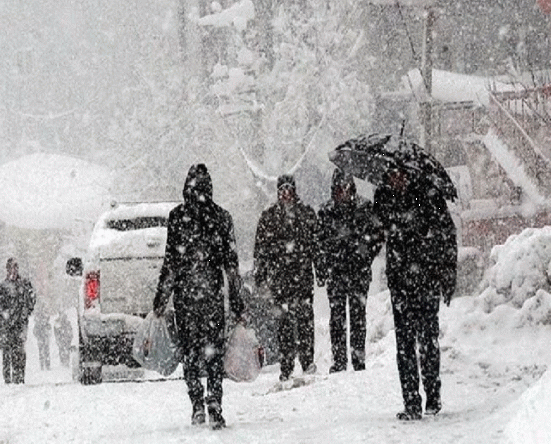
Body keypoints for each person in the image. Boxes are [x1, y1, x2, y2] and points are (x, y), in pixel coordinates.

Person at [153, 163, 244, 430]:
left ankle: (196, 405)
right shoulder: (221, 218)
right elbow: (231, 265)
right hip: (212, 297)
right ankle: (214, 401)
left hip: (187, 298)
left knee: (190, 353)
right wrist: (237, 301)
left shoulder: (178, 218)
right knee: (214, 354)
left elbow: (170, 263)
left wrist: (161, 298)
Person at [374, 167, 457, 421]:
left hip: (427, 279)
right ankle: (411, 401)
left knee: (428, 340)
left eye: (399, 175)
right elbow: (375, 234)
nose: (396, 180)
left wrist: (447, 275)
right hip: (400, 282)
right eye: (391, 176)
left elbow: (446, 234)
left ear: (408, 174)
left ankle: (433, 395)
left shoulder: (427, 194)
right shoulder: (384, 197)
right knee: (404, 345)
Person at [254, 174, 321, 382]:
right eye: (282, 189)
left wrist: (321, 269)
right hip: (280, 279)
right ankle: (286, 365)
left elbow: (317, 245)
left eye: (288, 189)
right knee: (284, 324)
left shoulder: (306, 214)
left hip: (301, 278)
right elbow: (261, 250)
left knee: (304, 321)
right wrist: (261, 274)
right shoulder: (269, 217)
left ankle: (307, 360)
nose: (285, 194)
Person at [316, 169, 383, 373]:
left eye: (345, 187)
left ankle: (358, 359)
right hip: (336, 272)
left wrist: (366, 254)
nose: (342, 192)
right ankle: (339, 360)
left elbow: (377, 236)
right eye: (338, 188)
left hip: (358, 271)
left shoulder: (364, 209)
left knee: (357, 317)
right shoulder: (326, 212)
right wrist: (323, 267)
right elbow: (318, 243)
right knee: (337, 318)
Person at [0, 257, 37, 384]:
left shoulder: (24, 284)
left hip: (20, 323)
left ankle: (19, 377)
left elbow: (32, 299)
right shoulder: (2, 286)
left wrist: (26, 311)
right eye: (10, 268)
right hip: (6, 325)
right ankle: (7, 378)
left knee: (19, 351)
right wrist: (4, 316)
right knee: (7, 352)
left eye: (15, 268)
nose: (13, 271)